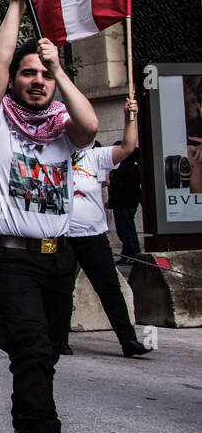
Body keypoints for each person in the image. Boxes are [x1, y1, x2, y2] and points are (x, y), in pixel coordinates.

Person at [0, 0, 101, 433]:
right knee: (28, 345)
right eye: (30, 74)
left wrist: (59, 66)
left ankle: (25, 430)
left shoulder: (62, 134)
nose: (37, 82)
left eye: (43, 76)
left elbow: (90, 125)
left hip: (57, 255)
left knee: (44, 350)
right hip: (7, 257)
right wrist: (18, 6)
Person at [62, 101, 150, 358]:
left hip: (93, 236)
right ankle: (58, 341)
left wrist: (129, 119)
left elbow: (127, 148)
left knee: (110, 289)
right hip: (63, 237)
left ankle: (129, 341)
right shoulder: (53, 156)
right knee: (61, 291)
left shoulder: (94, 156)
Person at [106, 148, 141, 263]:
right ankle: (127, 255)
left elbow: (125, 186)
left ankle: (135, 255)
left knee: (126, 230)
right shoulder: (122, 166)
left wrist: (111, 182)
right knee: (124, 230)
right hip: (122, 203)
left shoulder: (129, 166)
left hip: (125, 203)